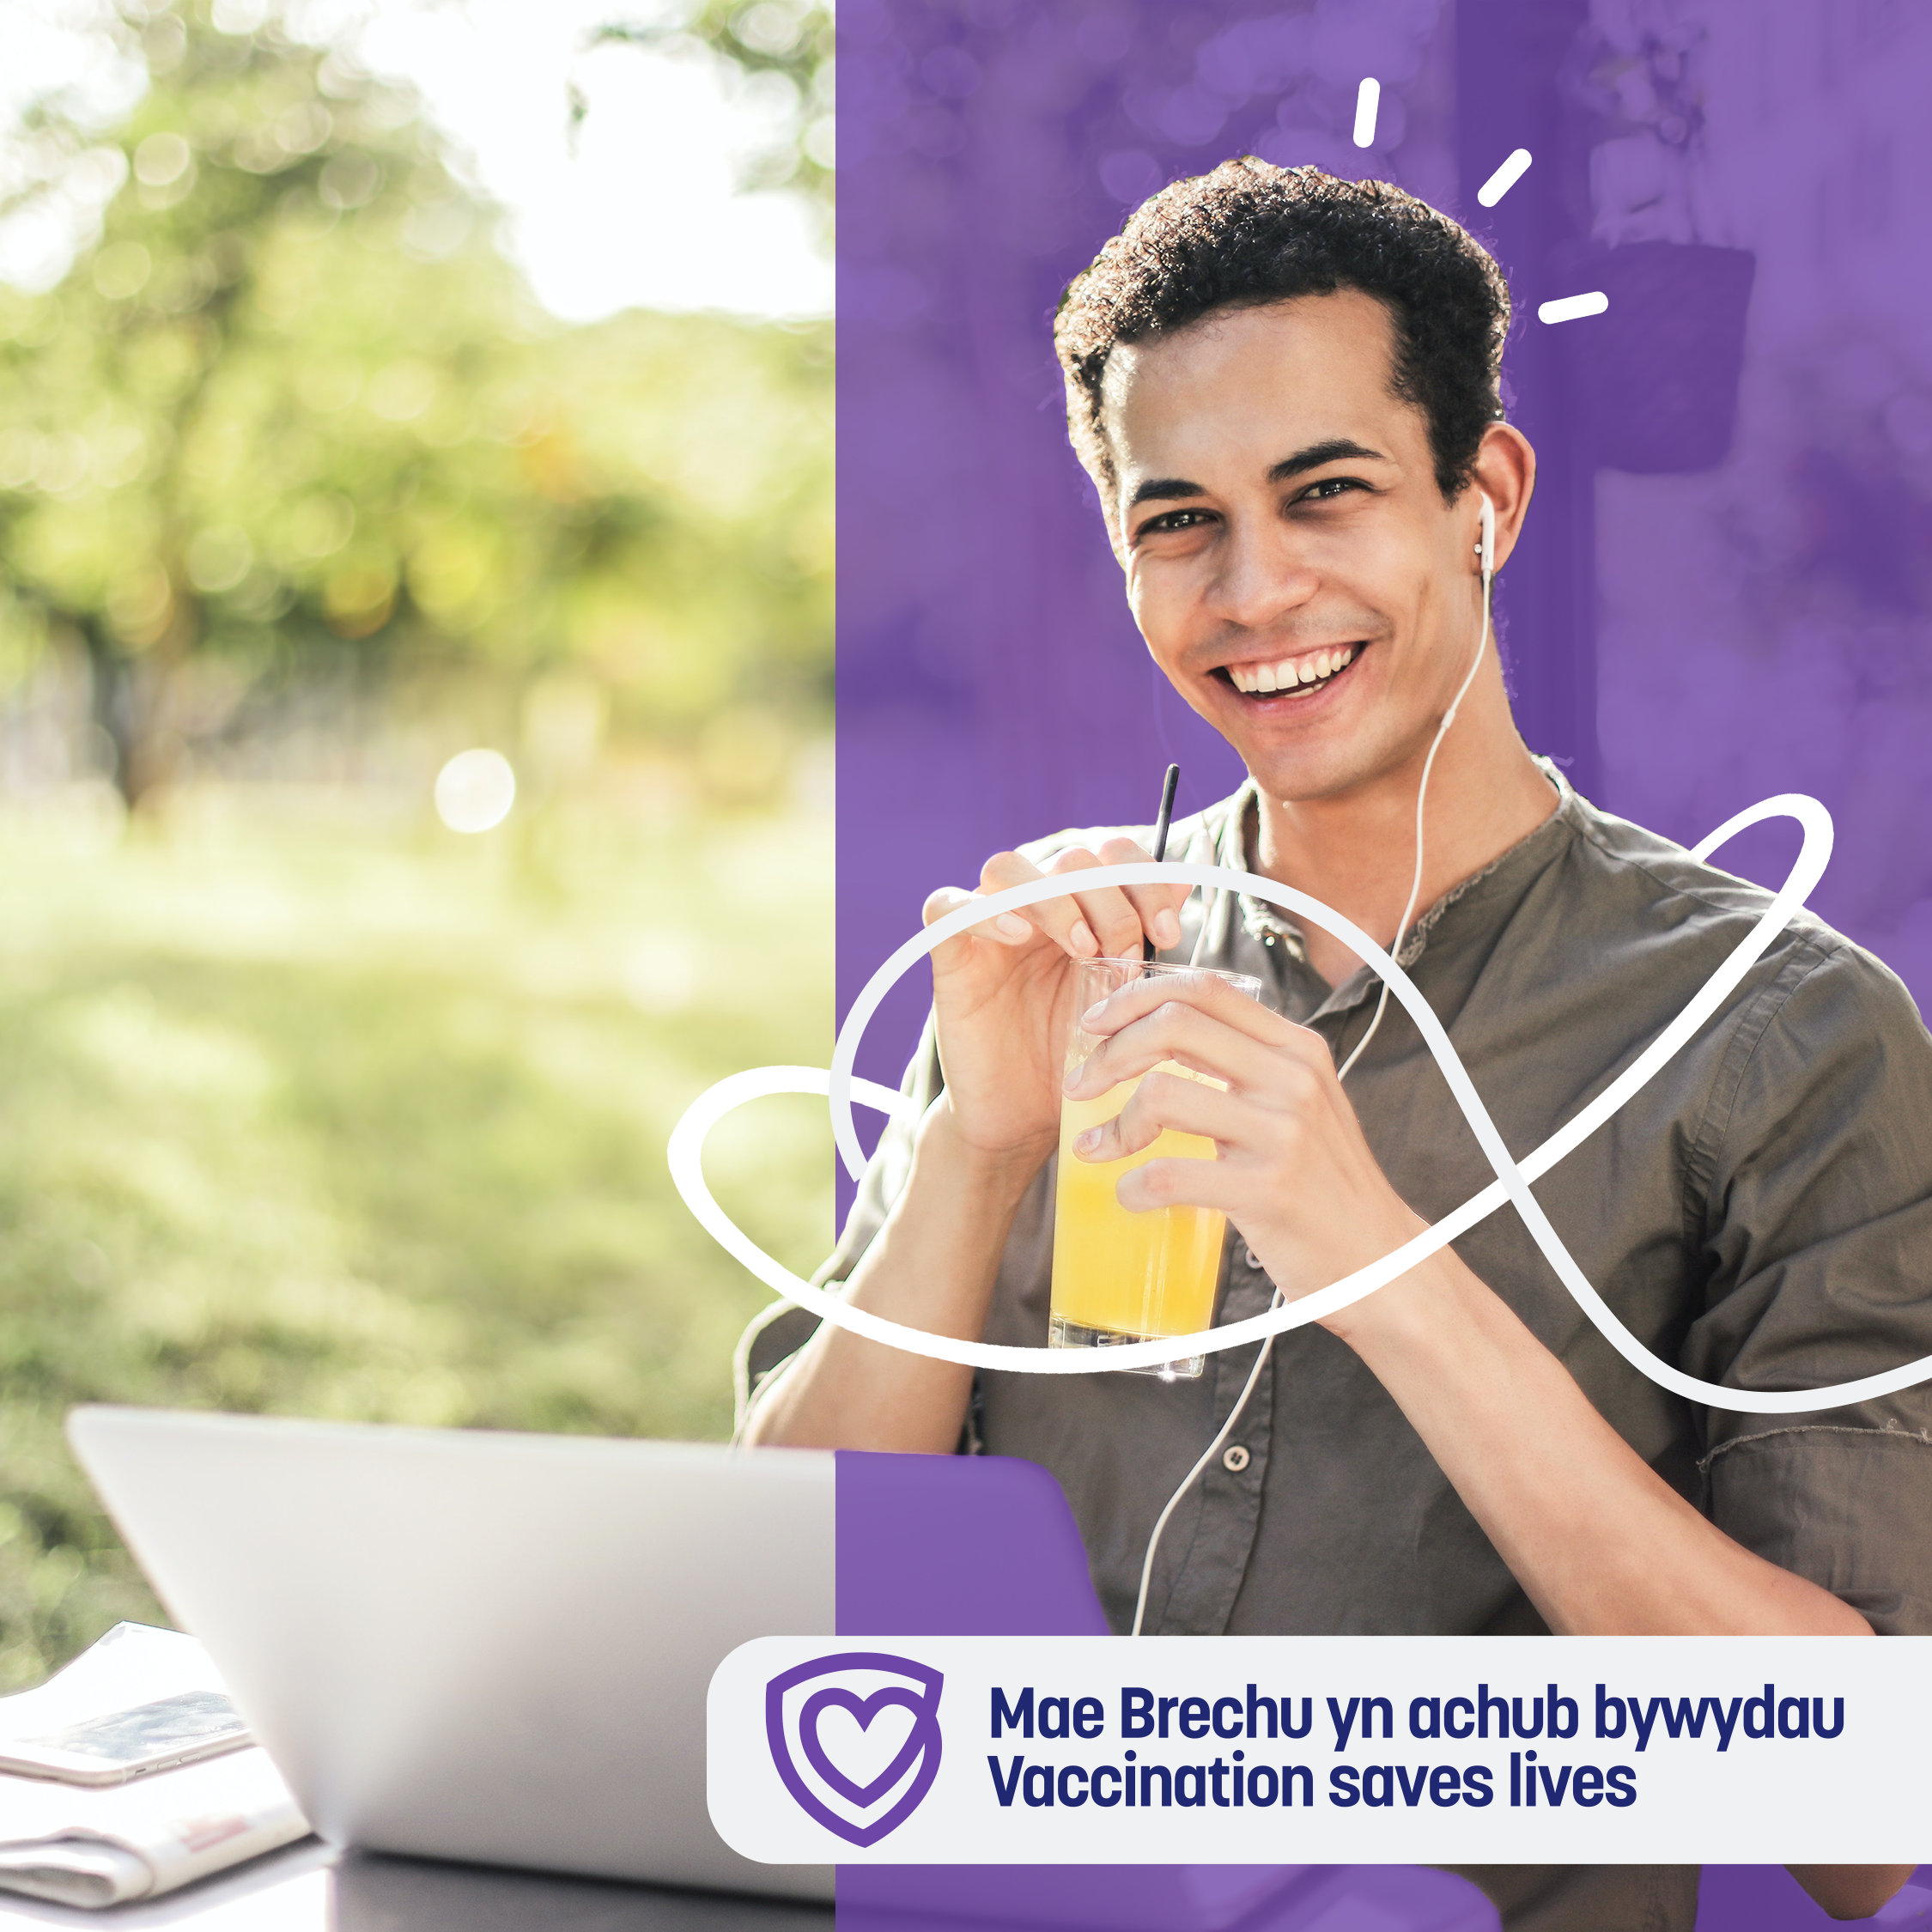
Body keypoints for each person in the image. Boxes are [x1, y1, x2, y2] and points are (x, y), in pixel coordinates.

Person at [741, 161, 1929, 1928]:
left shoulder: (1781, 1034)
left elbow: (1859, 1819)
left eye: (1328, 493)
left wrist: (1371, 1250)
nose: (1254, 589)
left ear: (1486, 498)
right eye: (1177, 522)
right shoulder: (1073, 966)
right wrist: (978, 1150)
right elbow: (782, 1611)